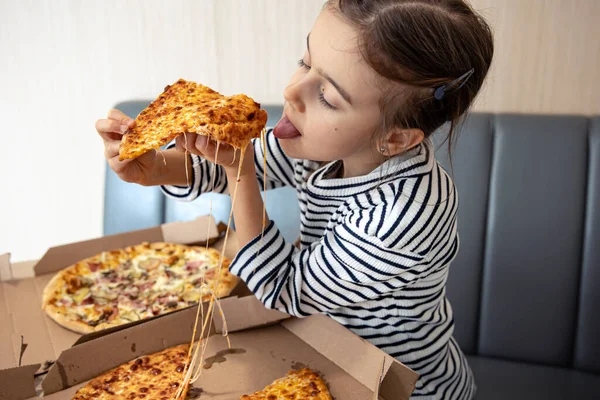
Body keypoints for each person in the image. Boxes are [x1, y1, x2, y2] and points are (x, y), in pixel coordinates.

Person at [96, 1, 493, 398]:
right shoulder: (323, 142)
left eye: (327, 95)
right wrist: (156, 167)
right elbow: (229, 163)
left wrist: (241, 173)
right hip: (324, 352)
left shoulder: (406, 214)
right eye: (305, 62)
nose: (290, 91)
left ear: (394, 139)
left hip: (398, 385)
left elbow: (283, 287)